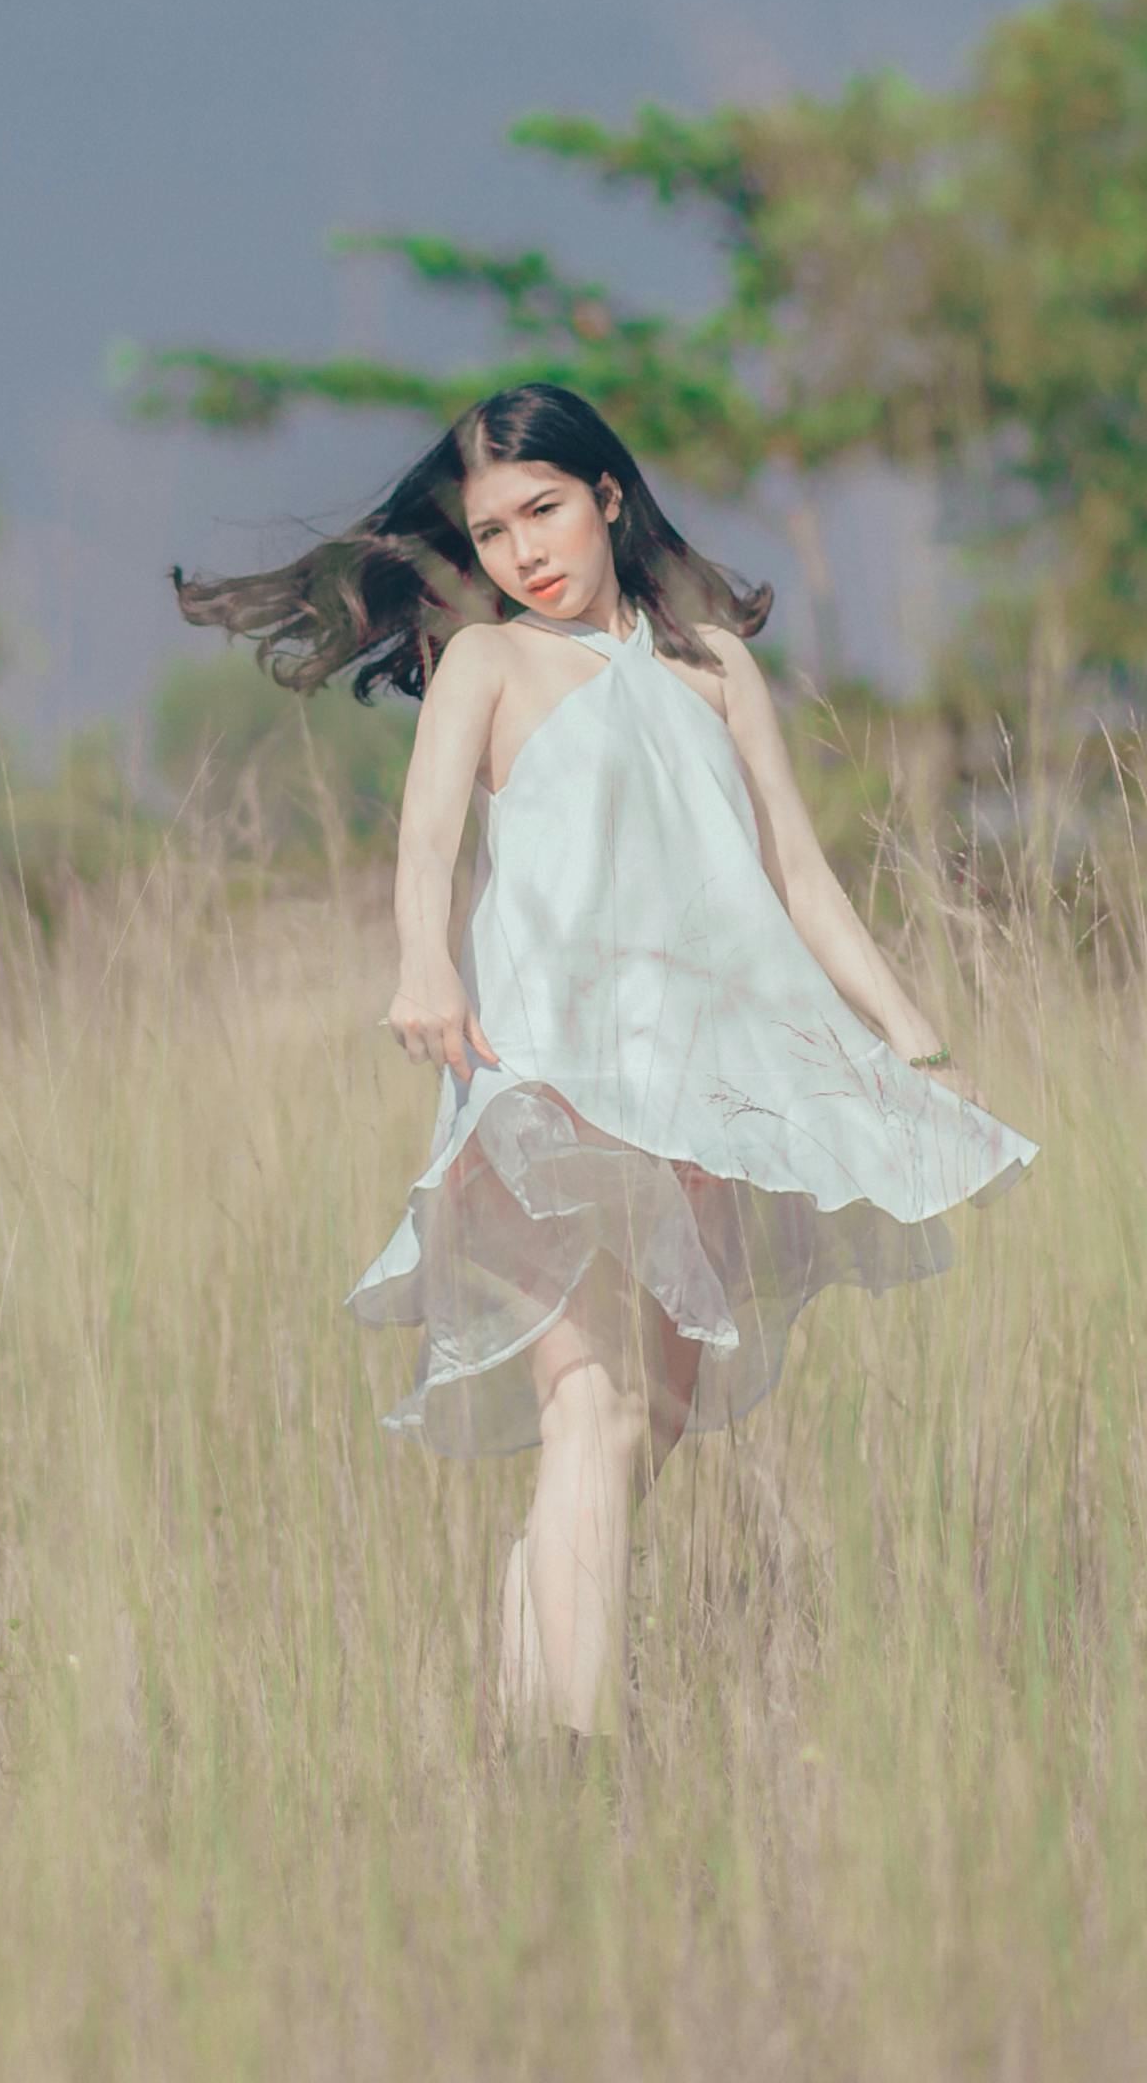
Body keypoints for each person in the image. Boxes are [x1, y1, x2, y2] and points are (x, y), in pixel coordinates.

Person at [175, 382, 1033, 1739]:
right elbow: (426, 844)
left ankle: (531, 1699)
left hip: (700, 1076)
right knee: (589, 1402)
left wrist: (917, 1045)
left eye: (545, 510)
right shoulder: (489, 667)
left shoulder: (710, 667)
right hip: (549, 1075)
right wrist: (423, 963)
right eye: (494, 529)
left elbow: (799, 874)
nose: (523, 550)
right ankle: (573, 1751)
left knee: (654, 1416)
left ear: (608, 497)